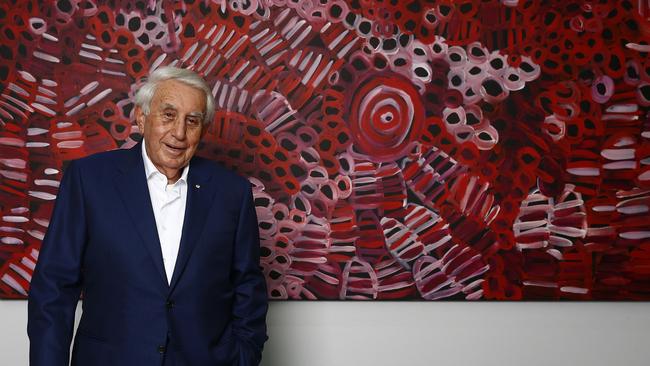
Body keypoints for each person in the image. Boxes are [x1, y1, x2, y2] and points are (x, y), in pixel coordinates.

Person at [27, 66, 268, 366]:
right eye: (168, 115)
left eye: (192, 121)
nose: (179, 133)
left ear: (203, 131)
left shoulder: (232, 193)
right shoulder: (89, 180)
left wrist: (244, 355)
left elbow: (248, 286)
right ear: (141, 118)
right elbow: (53, 287)